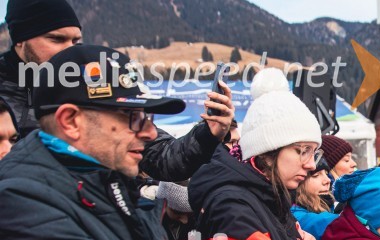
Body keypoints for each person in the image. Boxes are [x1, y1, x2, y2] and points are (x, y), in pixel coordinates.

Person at [0, 45, 313, 240]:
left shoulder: (110, 185)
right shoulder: (22, 200)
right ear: (71, 121)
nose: (150, 132)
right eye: (134, 118)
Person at [0, 0, 235, 182]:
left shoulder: (91, 80)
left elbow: (162, 158)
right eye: (57, 39)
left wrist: (208, 133)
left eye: (75, 41)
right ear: (20, 39)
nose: (68, 51)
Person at [188, 68, 339, 240]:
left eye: (313, 152)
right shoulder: (233, 207)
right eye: (301, 150)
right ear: (268, 155)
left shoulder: (273, 198)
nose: (311, 164)